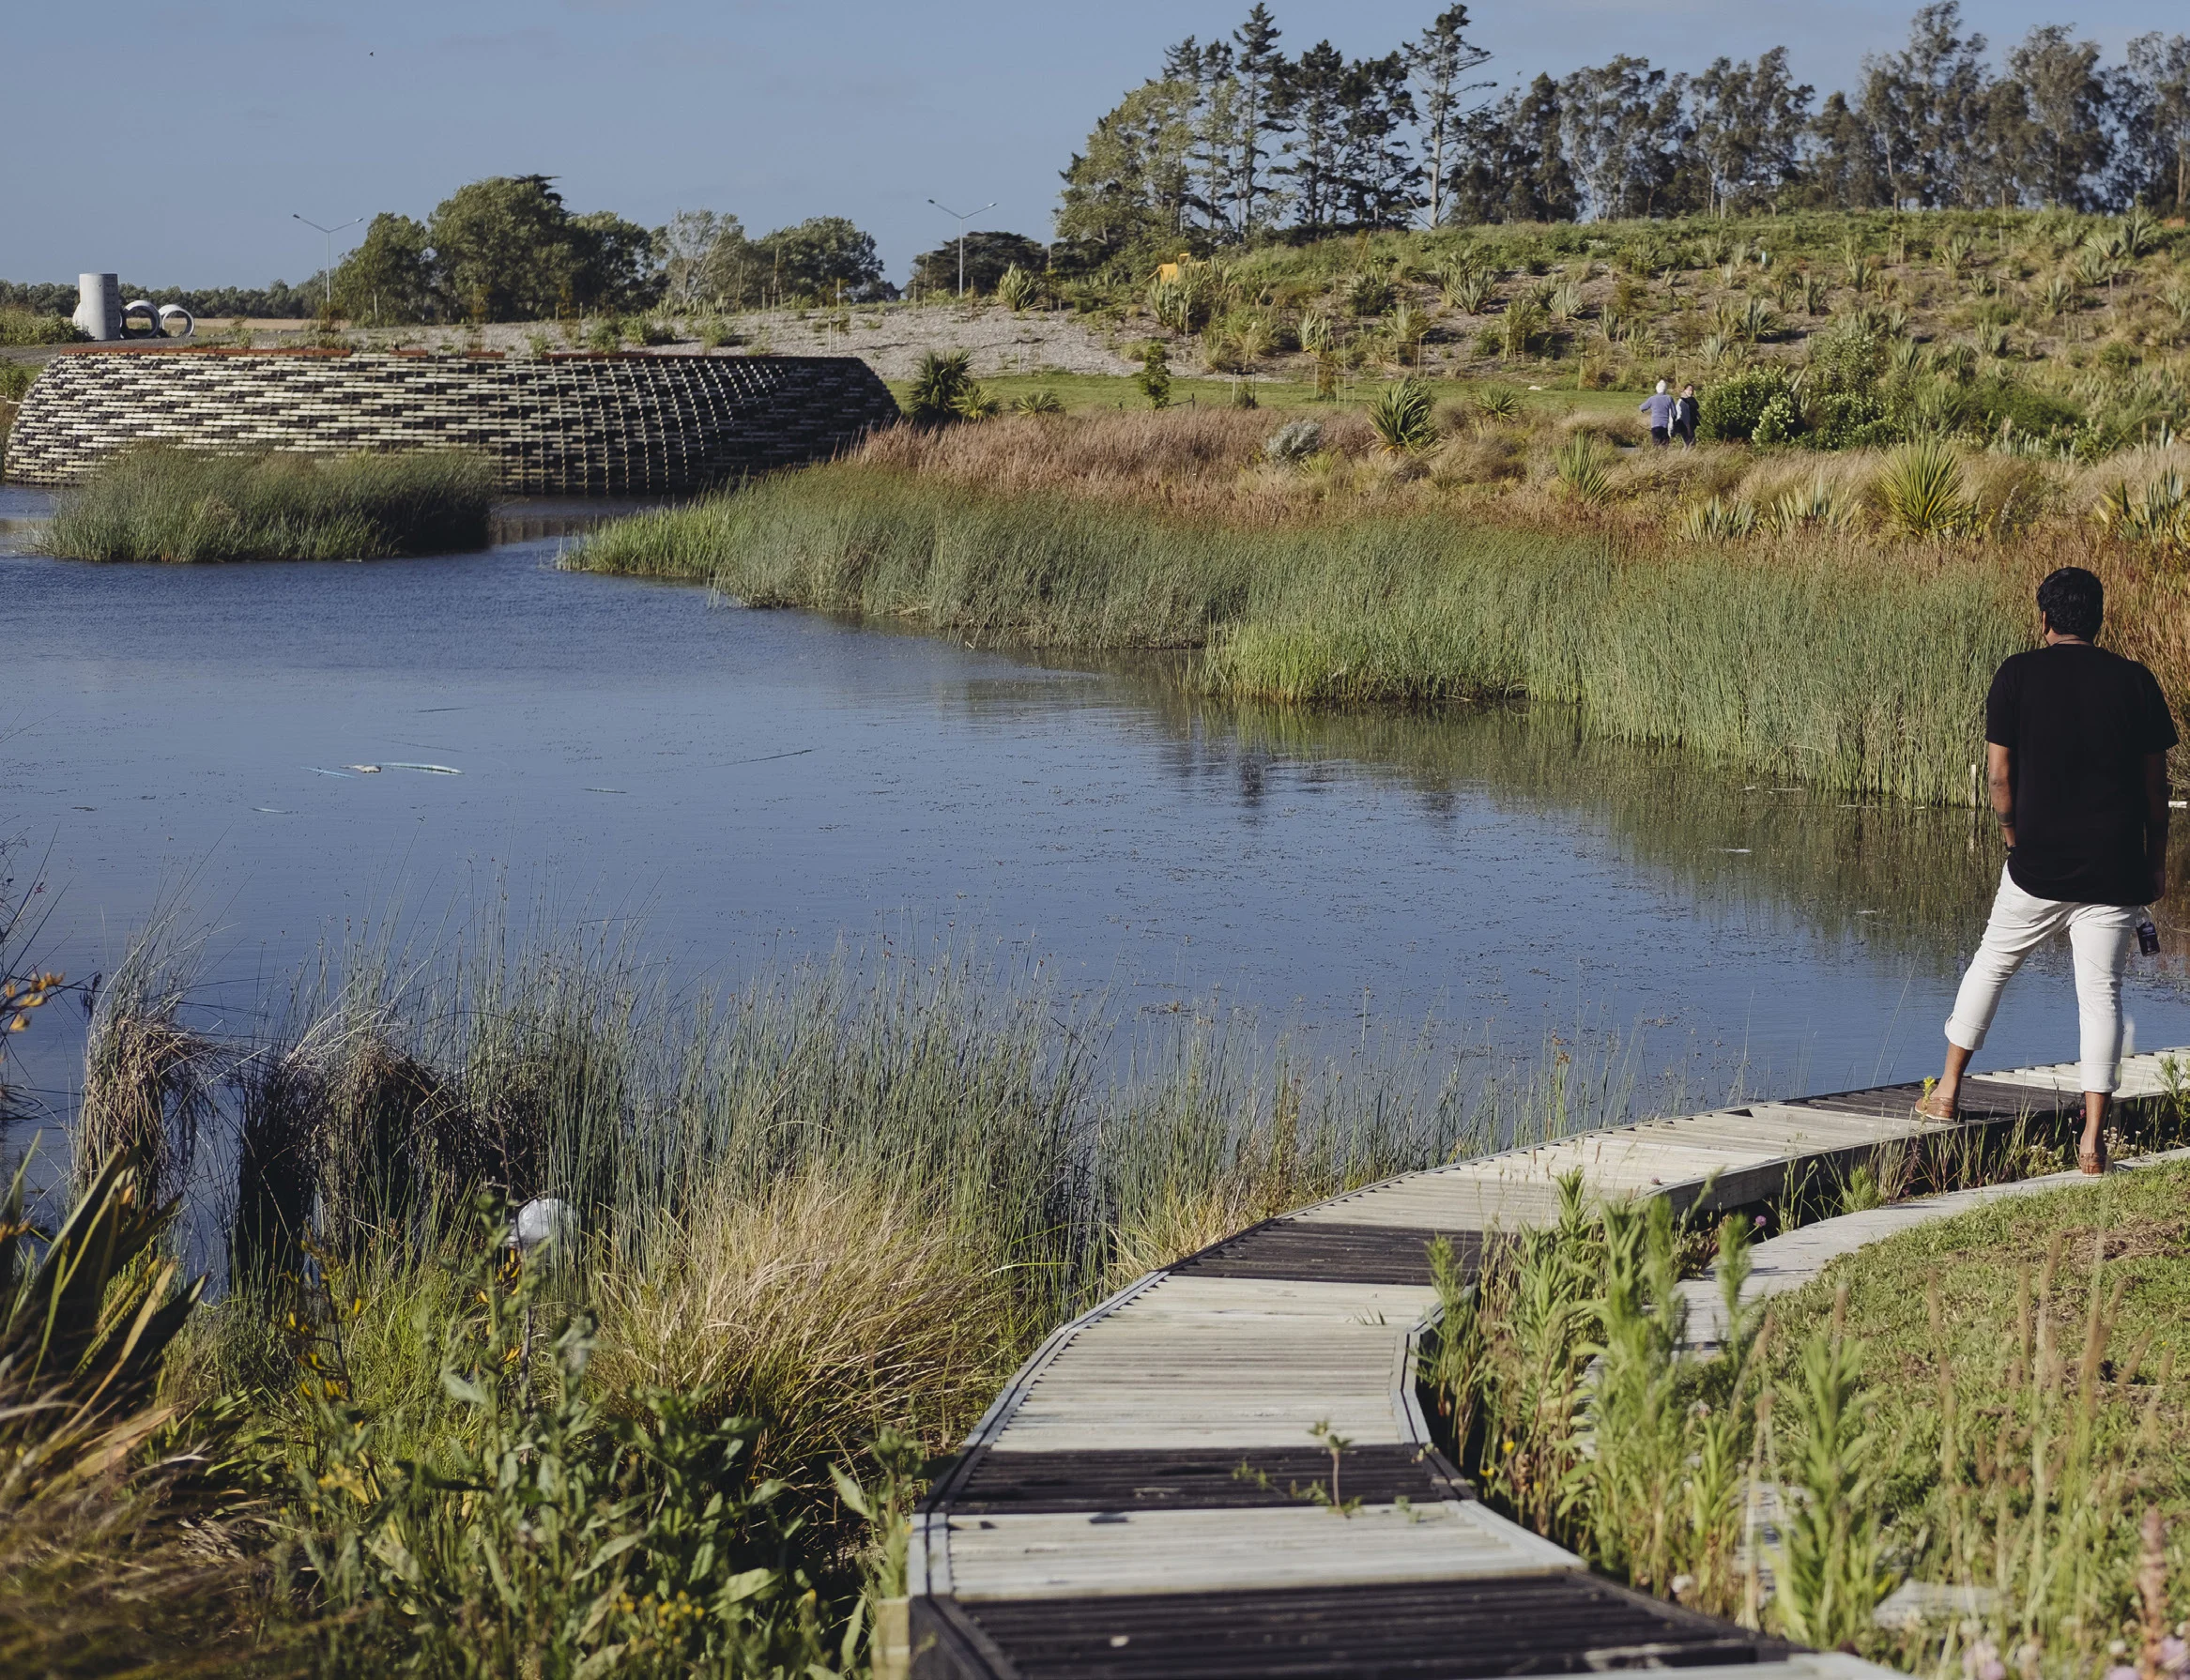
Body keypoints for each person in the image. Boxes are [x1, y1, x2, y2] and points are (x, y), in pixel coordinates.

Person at [1916, 567, 2175, 1172]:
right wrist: (2154, 867)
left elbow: (1999, 775)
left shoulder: (2017, 674)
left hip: (2036, 864)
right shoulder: (2136, 682)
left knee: (1993, 963)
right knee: (2101, 998)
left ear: (2045, 620)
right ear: (2100, 618)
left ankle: (1948, 1093)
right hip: (2113, 868)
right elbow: (2155, 793)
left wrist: (2012, 835)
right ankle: (2091, 1142)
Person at [1639, 380, 1675, 448]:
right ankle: (1664, 457)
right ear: (1665, 389)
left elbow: (1642, 407)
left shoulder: (1652, 399)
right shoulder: (1669, 398)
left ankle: (1656, 457)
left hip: (1655, 425)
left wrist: (1642, 409)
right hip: (1665, 426)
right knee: (1665, 445)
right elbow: (1674, 413)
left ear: (1657, 389)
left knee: (1656, 444)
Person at [1673, 383, 1699, 448]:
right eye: (1688, 390)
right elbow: (1679, 414)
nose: (1690, 392)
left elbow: (1696, 406)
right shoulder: (1681, 401)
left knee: (1690, 443)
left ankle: (1686, 456)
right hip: (1684, 425)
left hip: (1691, 424)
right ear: (1684, 390)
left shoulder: (1691, 399)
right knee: (1690, 443)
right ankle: (1685, 456)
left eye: (1691, 390)